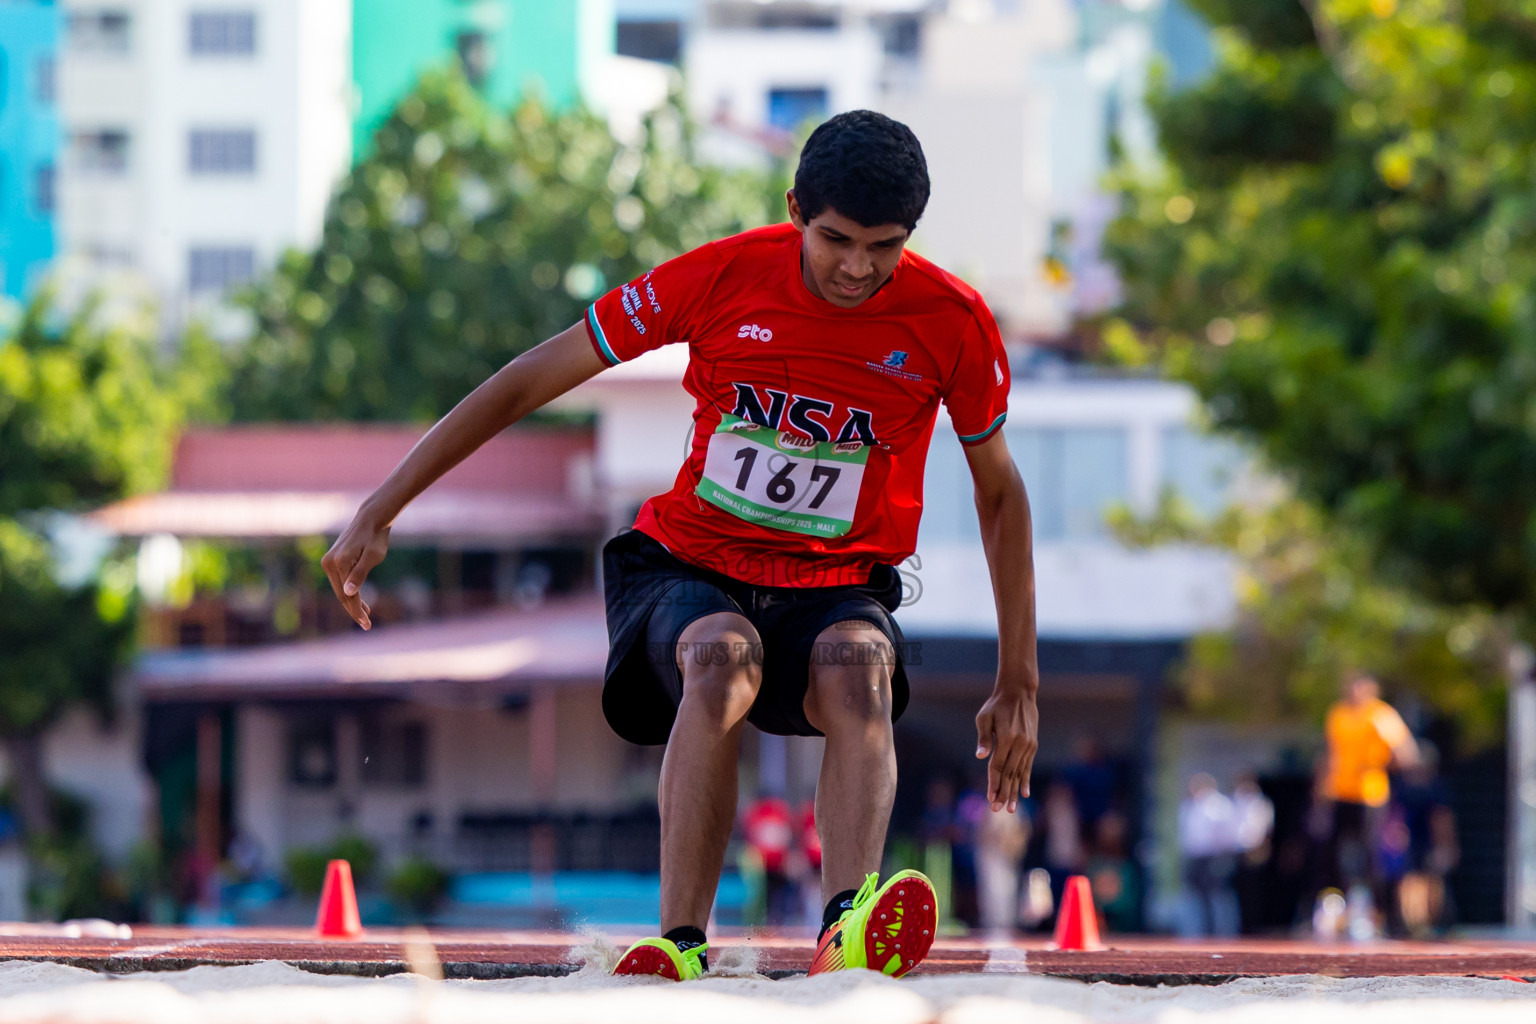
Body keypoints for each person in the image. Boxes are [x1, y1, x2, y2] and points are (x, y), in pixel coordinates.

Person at [319, 110, 1040, 981]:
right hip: (691, 567)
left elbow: (1000, 493)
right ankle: (682, 941)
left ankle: (846, 929)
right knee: (723, 659)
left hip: (834, 584)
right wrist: (383, 505)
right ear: (795, 211)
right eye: (836, 241)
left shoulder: (952, 320)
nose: (857, 268)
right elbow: (527, 381)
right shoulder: (719, 276)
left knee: (860, 670)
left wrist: (1018, 679)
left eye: (883, 248)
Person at [1317, 672, 1419, 923]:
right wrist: (1321, 793)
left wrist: (1379, 763)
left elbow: (1407, 753)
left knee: (1371, 854)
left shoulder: (1380, 715)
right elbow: (1330, 753)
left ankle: (1379, 912)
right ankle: (1336, 908)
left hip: (1369, 794)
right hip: (1339, 792)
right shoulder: (1338, 714)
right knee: (1331, 852)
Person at [1177, 773, 1236, 936]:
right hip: (1194, 856)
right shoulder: (1190, 805)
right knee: (1194, 895)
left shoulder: (1219, 804)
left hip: (1213, 856)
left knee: (1218, 894)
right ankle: (1196, 932)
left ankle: (1224, 932)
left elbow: (1226, 831)